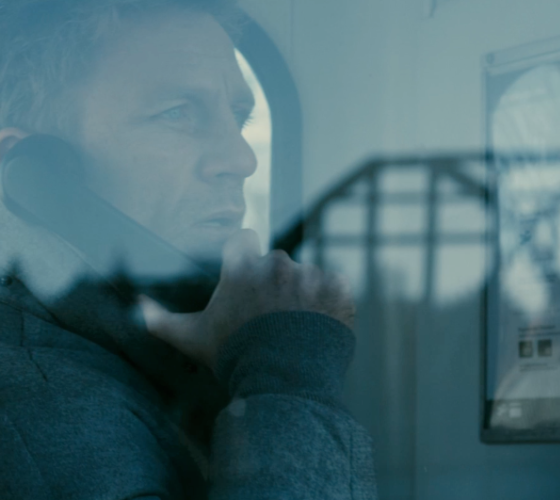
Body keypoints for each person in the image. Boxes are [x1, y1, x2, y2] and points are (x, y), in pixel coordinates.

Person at [0, 0, 377, 498]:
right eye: (177, 113)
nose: (241, 159)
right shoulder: (38, 413)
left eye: (239, 119)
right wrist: (291, 378)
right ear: (28, 172)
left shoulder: (151, 357)